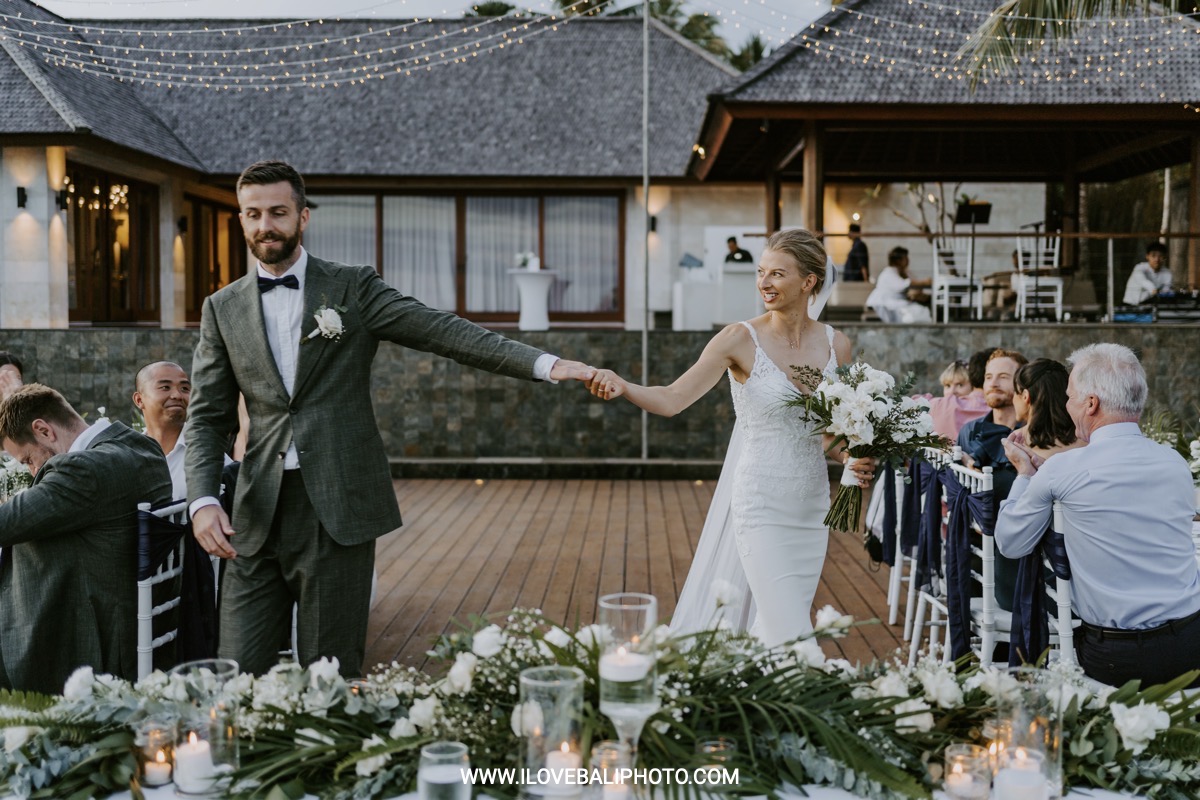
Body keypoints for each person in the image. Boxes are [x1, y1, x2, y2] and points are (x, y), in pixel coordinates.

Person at [185, 160, 595, 678]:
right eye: (253, 214)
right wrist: (202, 500)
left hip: (338, 507)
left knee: (330, 674)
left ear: (303, 217)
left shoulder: (352, 287)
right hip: (255, 511)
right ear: (242, 220)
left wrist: (547, 364)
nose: (265, 225)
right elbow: (206, 417)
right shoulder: (221, 308)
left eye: (278, 212)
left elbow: (441, 330)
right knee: (236, 670)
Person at [586, 229, 874, 647]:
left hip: (811, 506)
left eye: (777, 274)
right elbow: (672, 399)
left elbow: (830, 431)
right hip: (760, 501)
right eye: (761, 272)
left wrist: (852, 457)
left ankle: (757, 686)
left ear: (808, 281)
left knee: (780, 623)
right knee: (791, 629)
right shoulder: (738, 339)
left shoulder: (837, 344)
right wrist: (624, 385)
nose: (764, 283)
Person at [996, 343, 1200, 688]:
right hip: (1191, 646)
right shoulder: (1175, 463)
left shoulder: (1062, 469)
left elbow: (1010, 543)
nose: (1066, 405)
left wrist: (1025, 475)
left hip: (1118, 657)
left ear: (1091, 404)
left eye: (1070, 397)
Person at [0, 384, 172, 692]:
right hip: (135, 614)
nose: (33, 471)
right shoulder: (139, 445)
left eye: (27, 460)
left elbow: (6, 523)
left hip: (94, 635)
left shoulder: (82, 470)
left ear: (43, 430)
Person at [957, 348, 1028, 611]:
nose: (993, 383)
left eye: (1003, 377)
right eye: (988, 377)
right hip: (977, 549)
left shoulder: (1034, 435)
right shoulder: (970, 432)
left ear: (1022, 386)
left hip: (1025, 546)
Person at [1007, 359, 1082, 465]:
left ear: (1025, 396)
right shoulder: (1085, 436)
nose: (1013, 399)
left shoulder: (1016, 441)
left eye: (1015, 392)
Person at [927, 358, 989, 441]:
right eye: (948, 385)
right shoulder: (938, 407)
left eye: (960, 385)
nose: (952, 392)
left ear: (973, 386)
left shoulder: (982, 407)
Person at [866, 246, 932, 323]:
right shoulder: (888, 272)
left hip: (898, 303)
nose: (908, 261)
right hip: (884, 304)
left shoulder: (904, 272)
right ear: (898, 260)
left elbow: (913, 287)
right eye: (905, 258)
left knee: (920, 311)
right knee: (917, 312)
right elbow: (904, 285)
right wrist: (924, 282)